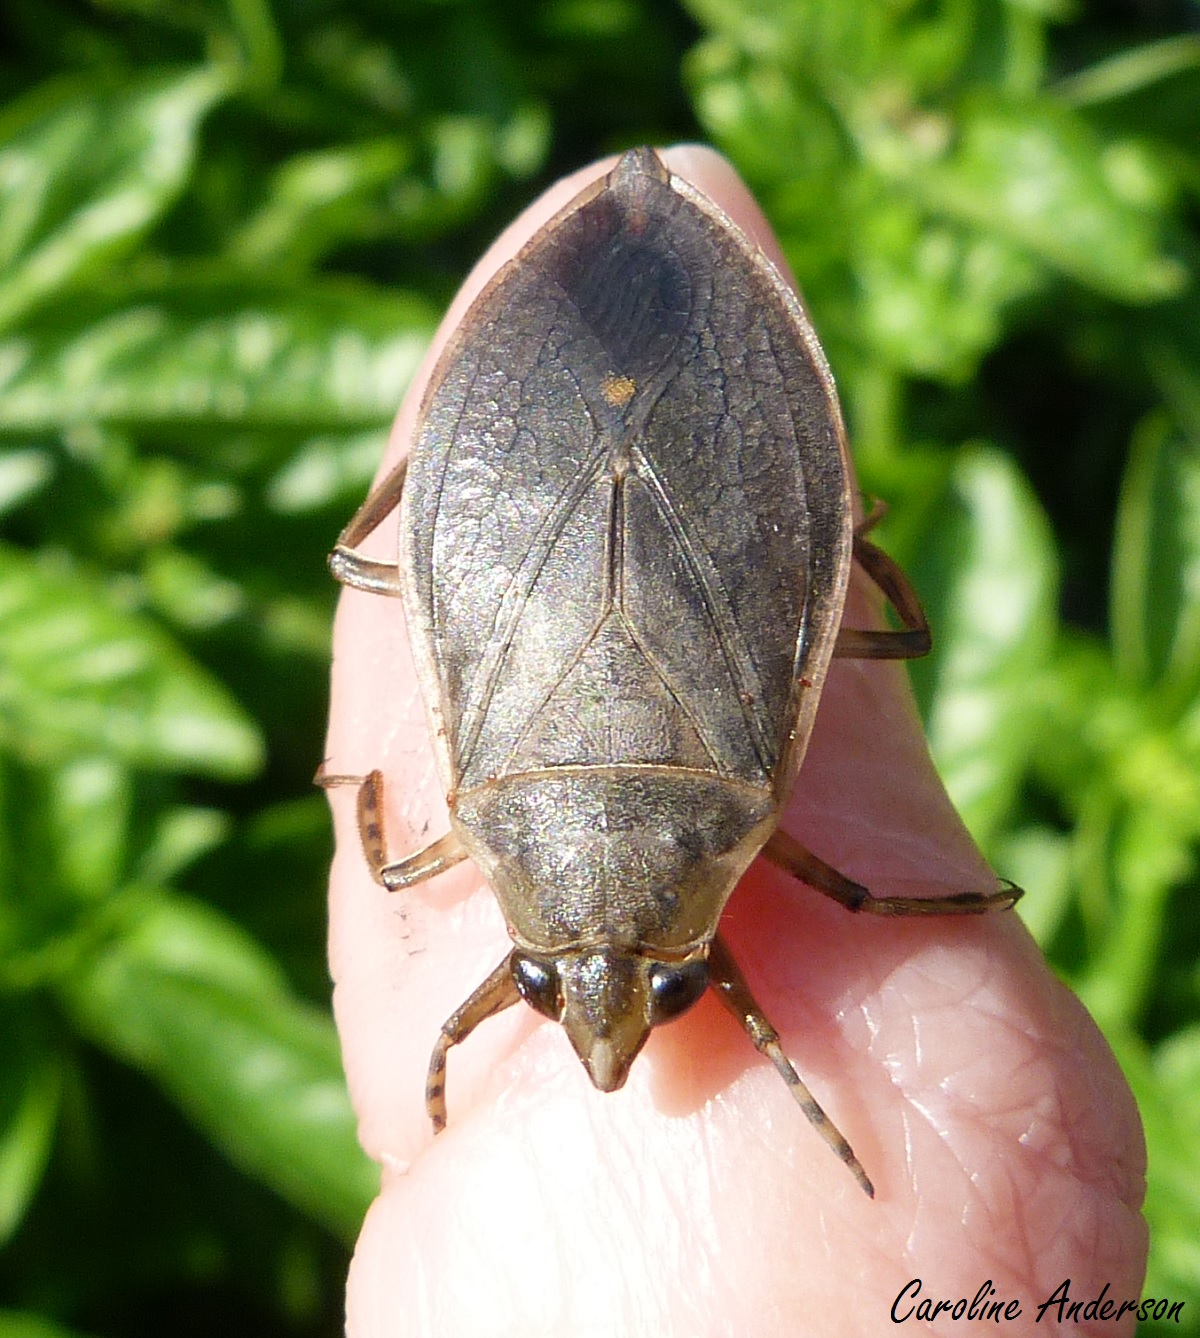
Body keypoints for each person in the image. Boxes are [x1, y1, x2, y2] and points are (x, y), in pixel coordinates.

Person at [322, 146, 1147, 1336]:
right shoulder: (672, 835)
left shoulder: (704, 822)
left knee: (368, 584)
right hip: (550, 515)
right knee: (888, 649)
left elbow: (864, 891)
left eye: (549, 984)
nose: (608, 1046)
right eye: (668, 986)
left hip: (544, 454)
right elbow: (859, 879)